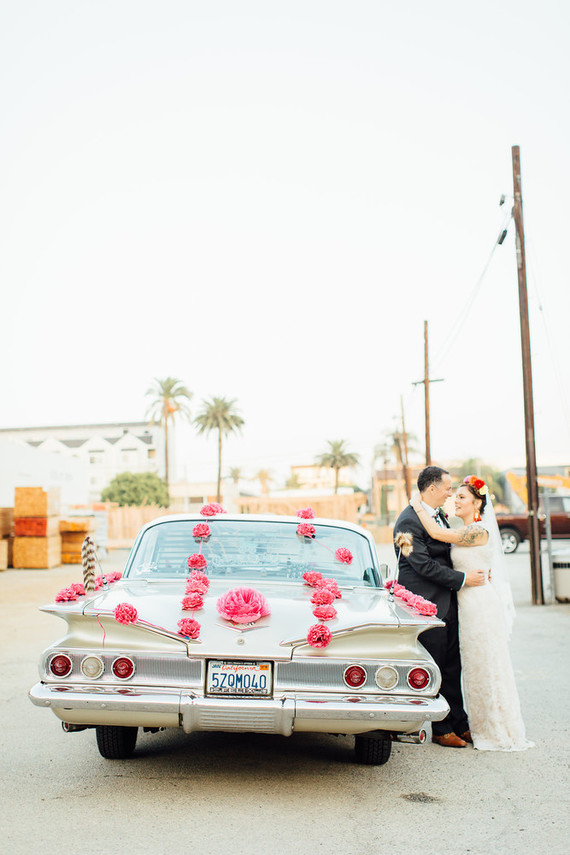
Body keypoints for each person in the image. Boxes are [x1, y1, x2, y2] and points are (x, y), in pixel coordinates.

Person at [411, 475, 533, 751]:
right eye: (455, 495)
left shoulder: (479, 532)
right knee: (472, 668)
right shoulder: (465, 529)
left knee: (485, 665)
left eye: (462, 497)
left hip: (479, 605)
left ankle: (494, 727)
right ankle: (472, 724)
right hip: (464, 604)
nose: (456, 499)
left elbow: (438, 534)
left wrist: (417, 505)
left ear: (478, 504)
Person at [394, 466, 487, 748]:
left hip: (447, 600)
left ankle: (459, 722)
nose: (450, 493)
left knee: (451, 665)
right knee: (435, 665)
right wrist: (462, 579)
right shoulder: (405, 523)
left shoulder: (438, 517)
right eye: (447, 488)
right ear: (432, 488)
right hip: (425, 603)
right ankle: (441, 729)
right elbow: (419, 563)